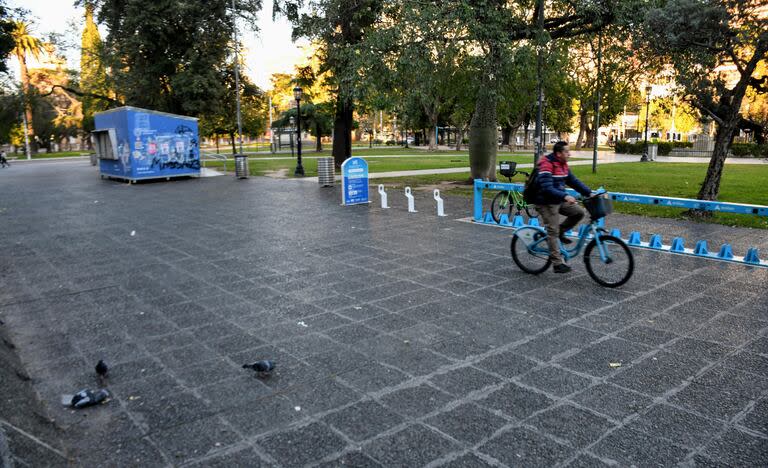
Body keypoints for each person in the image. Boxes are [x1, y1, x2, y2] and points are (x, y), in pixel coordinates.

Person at [532, 141, 592, 273]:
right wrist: (565, 196)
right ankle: (557, 263)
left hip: (557, 199)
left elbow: (573, 181)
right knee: (552, 230)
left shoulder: (563, 165)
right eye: (566, 152)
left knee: (579, 213)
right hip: (545, 201)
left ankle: (561, 232)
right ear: (558, 153)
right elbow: (546, 187)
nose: (569, 154)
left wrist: (589, 192)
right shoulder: (546, 164)